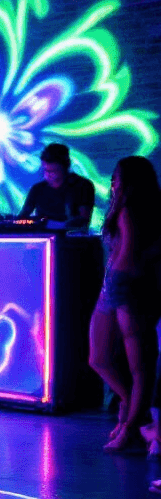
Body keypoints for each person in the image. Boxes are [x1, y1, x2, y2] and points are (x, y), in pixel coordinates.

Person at [88, 156, 161, 454]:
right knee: (100, 357)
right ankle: (135, 413)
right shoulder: (130, 208)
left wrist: (128, 274)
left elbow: (128, 255)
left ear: (129, 181)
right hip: (117, 285)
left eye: (116, 177)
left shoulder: (130, 209)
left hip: (127, 286)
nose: (112, 182)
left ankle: (132, 428)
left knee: (139, 365)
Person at [18, 143, 94, 228]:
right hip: (43, 238)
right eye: (45, 170)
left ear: (65, 167)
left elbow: (83, 220)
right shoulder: (37, 189)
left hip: (71, 238)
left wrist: (56, 225)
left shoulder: (83, 186)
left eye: (53, 171)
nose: (48, 175)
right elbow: (23, 217)